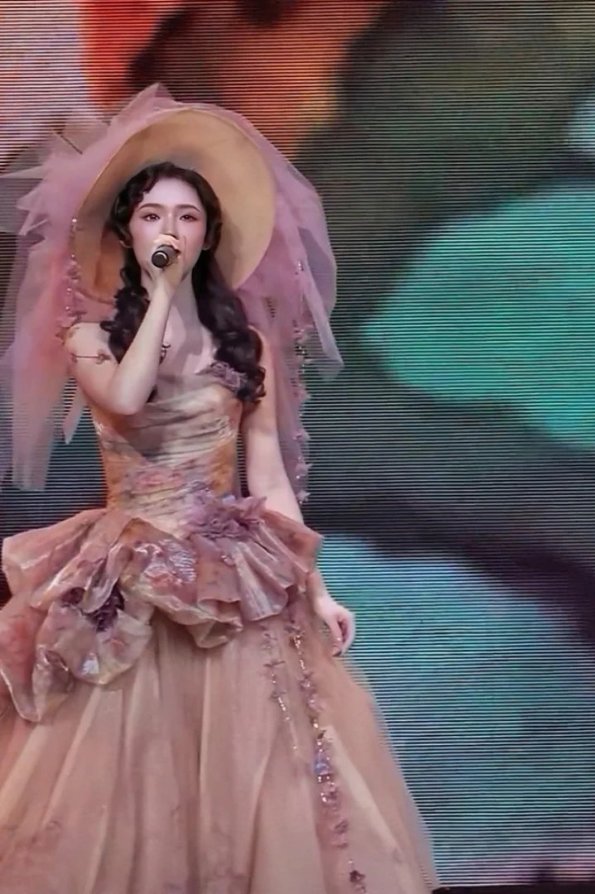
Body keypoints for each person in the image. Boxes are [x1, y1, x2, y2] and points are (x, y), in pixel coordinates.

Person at [0, 85, 437, 893]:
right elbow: (126, 398)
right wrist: (162, 296)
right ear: (126, 233)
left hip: (228, 578)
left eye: (188, 217)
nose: (170, 230)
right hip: (127, 577)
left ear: (210, 234)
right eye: (152, 216)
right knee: (128, 780)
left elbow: (266, 476)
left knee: (258, 777)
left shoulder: (249, 345)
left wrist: (317, 586)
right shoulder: (89, 336)